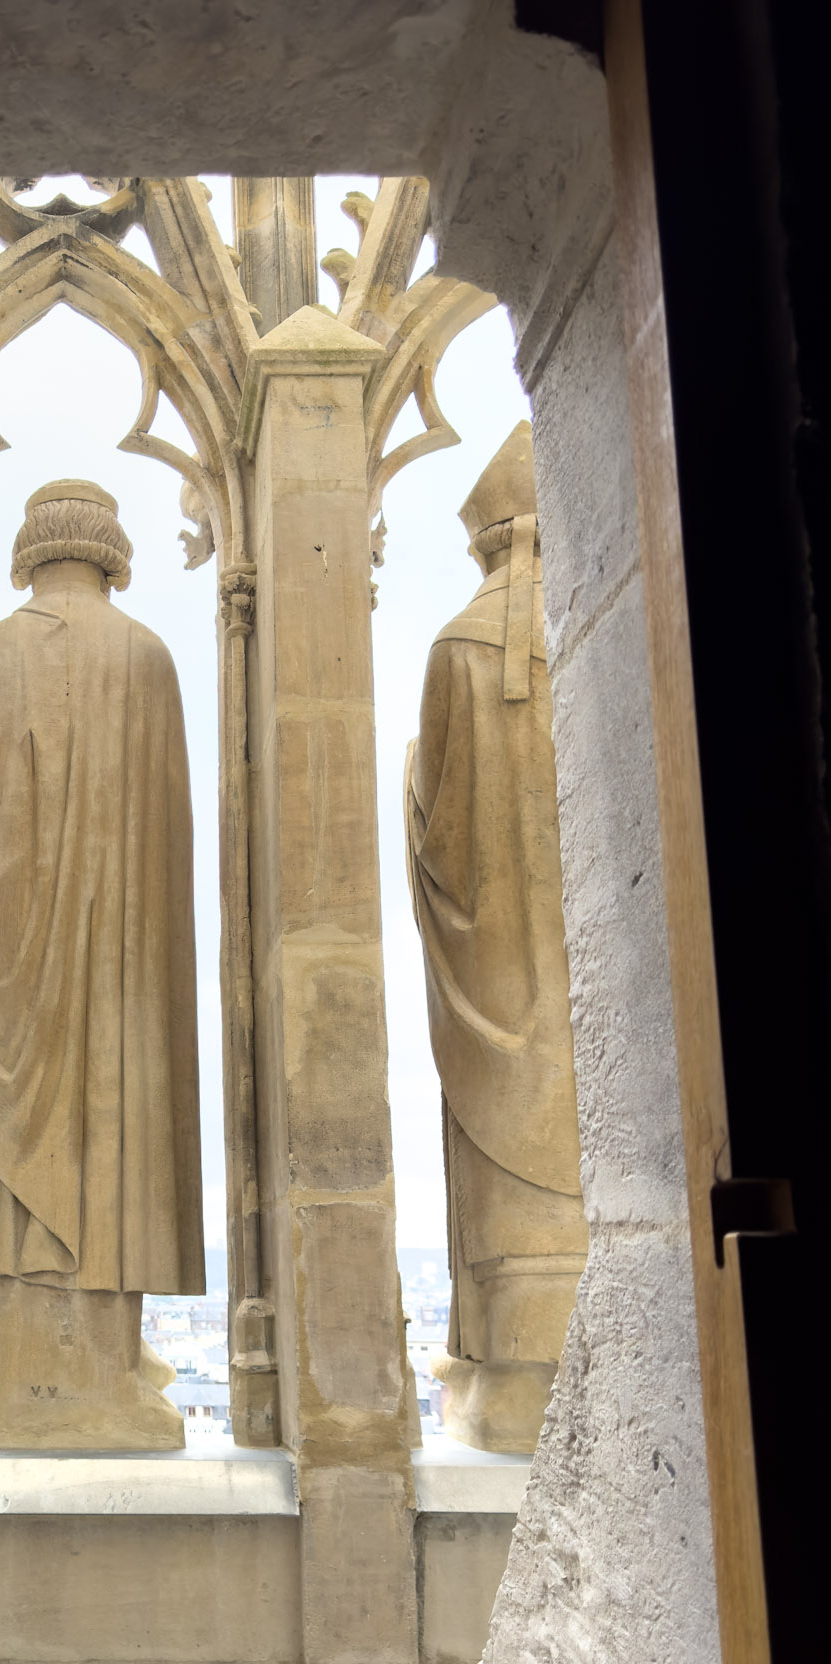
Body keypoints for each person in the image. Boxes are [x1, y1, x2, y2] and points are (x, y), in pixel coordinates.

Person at [0, 480, 204, 1449]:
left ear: (29, 550)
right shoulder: (146, 658)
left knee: (19, 1125)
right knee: (112, 1129)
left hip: (13, 953)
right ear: (112, 550)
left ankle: (25, 1366)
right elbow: (169, 829)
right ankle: (95, 1368)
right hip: (120, 970)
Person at [405, 422, 587, 1453]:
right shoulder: (604, 622)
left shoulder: (458, 647)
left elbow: (446, 842)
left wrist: (405, 788)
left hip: (503, 975)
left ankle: (515, 1380)